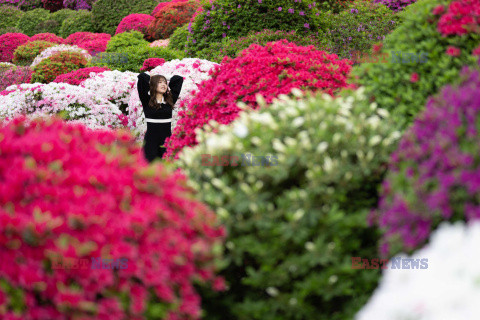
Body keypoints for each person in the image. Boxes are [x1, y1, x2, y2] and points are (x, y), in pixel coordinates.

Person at [137, 72, 183, 163]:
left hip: (166, 141)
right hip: (150, 142)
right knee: (148, 169)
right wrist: (152, 77)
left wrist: (165, 77)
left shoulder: (169, 100)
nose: (164, 84)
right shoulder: (146, 100)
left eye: (165, 83)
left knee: (167, 168)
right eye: (160, 82)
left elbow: (179, 79)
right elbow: (142, 77)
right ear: (153, 84)